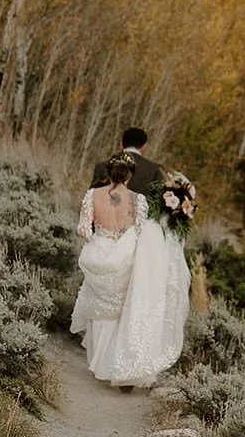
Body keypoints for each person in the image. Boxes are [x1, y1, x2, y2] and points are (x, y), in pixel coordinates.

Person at [69, 150, 190, 389]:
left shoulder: (92, 194)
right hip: (124, 258)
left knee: (99, 310)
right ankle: (117, 364)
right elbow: (140, 232)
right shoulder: (138, 200)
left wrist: (100, 238)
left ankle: (99, 363)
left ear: (109, 172)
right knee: (118, 312)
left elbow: (83, 229)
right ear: (129, 176)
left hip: (97, 255)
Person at [90, 126, 165, 196]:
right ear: (144, 146)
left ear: (121, 144)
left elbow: (91, 197)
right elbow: (159, 199)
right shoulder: (154, 169)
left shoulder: (101, 167)